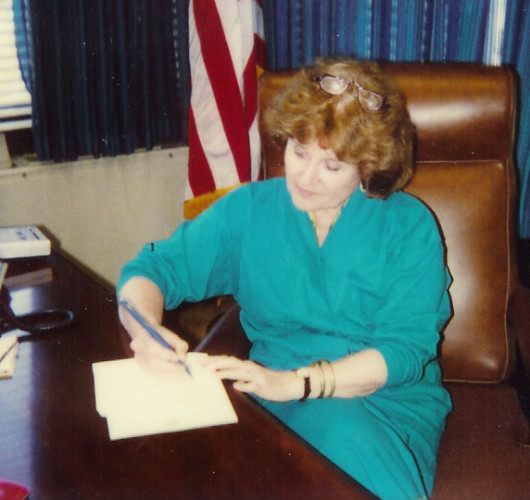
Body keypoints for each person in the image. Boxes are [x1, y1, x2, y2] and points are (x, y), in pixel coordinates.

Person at [117, 57, 452, 500]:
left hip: (382, 402)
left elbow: (404, 353)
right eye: (298, 151)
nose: (305, 177)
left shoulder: (409, 226)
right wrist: (143, 329)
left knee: (342, 439)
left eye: (332, 166)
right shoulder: (251, 210)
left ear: (368, 168)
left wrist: (299, 382)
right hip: (271, 396)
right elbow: (152, 270)